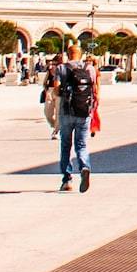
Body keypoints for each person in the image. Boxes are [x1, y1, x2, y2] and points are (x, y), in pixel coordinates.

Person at [49, 41, 98, 193]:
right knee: (81, 145)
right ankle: (84, 167)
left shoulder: (61, 68)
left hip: (66, 111)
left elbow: (56, 89)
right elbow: (94, 89)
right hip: (84, 111)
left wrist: (59, 94)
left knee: (66, 146)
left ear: (68, 54)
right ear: (81, 54)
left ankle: (67, 179)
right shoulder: (89, 68)